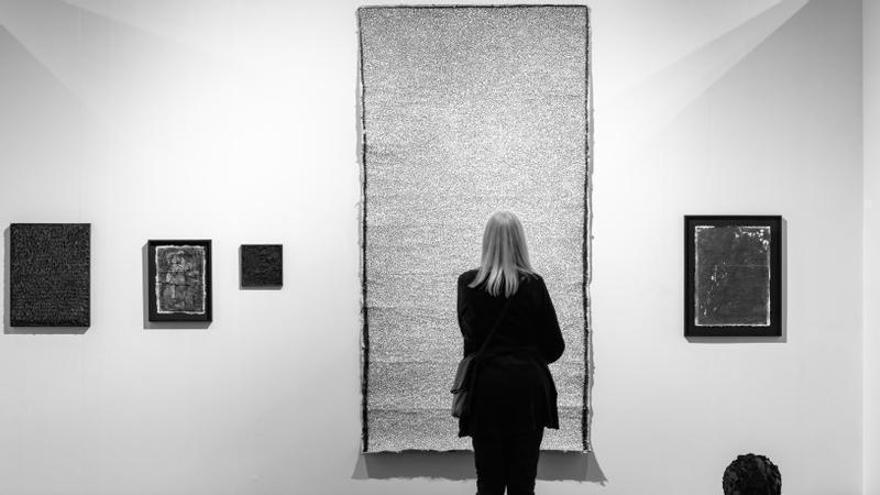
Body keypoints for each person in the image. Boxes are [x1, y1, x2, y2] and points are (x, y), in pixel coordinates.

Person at [456, 210, 565, 495]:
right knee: (523, 484)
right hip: (528, 391)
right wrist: (527, 356)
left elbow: (470, 340)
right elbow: (555, 346)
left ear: (487, 241)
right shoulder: (534, 284)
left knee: (488, 484)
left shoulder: (468, 283)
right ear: (520, 241)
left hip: (486, 389)